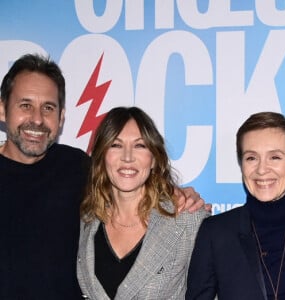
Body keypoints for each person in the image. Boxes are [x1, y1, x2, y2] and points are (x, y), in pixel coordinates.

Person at [0, 53, 207, 300]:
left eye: (48, 108)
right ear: (2, 110)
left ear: (61, 117)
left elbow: (127, 172)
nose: (37, 118)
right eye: (25, 105)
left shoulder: (75, 166)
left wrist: (177, 193)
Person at [77, 106, 210, 299]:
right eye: (116, 145)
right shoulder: (87, 220)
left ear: (154, 159)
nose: (128, 157)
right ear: (101, 157)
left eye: (140, 145)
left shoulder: (187, 220)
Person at [186, 111, 285, 300]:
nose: (262, 169)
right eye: (251, 158)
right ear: (241, 165)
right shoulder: (215, 233)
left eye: (275, 157)